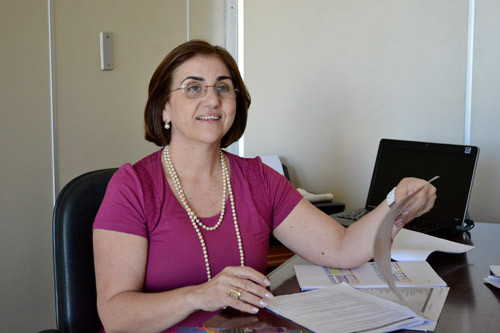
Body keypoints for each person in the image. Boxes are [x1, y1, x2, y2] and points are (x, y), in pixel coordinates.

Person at [93, 40, 436, 333]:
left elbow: (342, 248)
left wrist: (396, 202)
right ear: (164, 108)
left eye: (223, 87)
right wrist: (199, 295)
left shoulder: (258, 179)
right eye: (193, 87)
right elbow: (115, 315)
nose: (212, 99)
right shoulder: (134, 186)